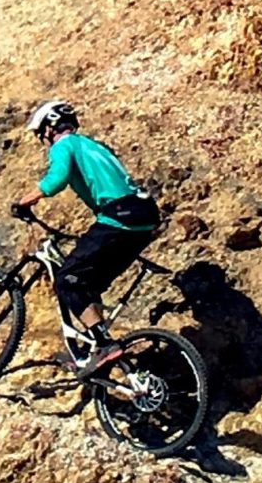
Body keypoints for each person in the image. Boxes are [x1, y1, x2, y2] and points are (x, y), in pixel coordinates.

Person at [9, 99, 160, 352]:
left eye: (40, 135)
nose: (42, 141)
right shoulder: (95, 146)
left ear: (49, 128)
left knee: (67, 280)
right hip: (144, 216)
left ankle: (103, 345)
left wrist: (25, 202)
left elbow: (56, 179)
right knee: (87, 284)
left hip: (118, 214)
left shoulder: (63, 145)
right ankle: (96, 350)